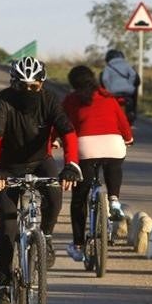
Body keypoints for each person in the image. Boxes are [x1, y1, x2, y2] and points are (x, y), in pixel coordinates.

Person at [0, 56, 83, 304]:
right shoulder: (4, 100)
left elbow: (68, 132)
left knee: (55, 197)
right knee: (6, 225)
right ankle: (4, 287)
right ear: (13, 83)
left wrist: (72, 164)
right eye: (21, 86)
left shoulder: (49, 100)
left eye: (34, 86)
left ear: (42, 84)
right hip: (7, 165)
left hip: (41, 160)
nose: (28, 91)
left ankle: (46, 236)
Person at [62, 65, 134, 262]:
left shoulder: (71, 100)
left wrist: (54, 140)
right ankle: (114, 200)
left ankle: (77, 245)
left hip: (85, 148)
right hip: (113, 144)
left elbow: (62, 123)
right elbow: (123, 122)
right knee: (114, 164)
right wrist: (128, 138)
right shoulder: (109, 97)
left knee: (79, 198)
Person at [100, 49, 140, 125]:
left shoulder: (106, 69)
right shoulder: (127, 67)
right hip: (127, 95)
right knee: (134, 94)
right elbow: (136, 79)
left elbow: (103, 81)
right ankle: (133, 112)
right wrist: (130, 84)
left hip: (112, 95)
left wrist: (108, 89)